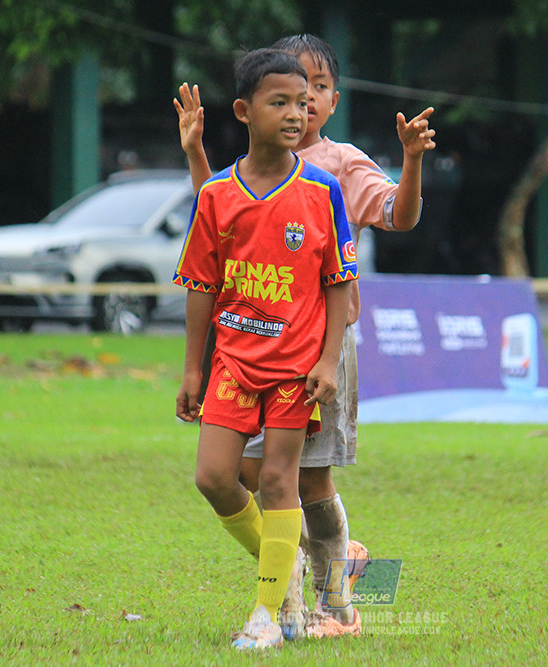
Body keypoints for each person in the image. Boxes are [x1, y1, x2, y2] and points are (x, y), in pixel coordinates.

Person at [174, 33, 435, 640]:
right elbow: (221, 231)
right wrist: (195, 154)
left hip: (317, 348)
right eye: (292, 91)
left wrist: (412, 162)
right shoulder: (248, 167)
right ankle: (311, 578)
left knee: (302, 478)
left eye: (316, 89)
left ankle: (332, 604)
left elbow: (399, 216)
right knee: (238, 471)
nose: (303, 104)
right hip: (245, 343)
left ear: (333, 99)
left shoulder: (338, 168)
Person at [173, 47, 358, 651]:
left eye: (303, 104)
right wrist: (193, 369)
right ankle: (286, 565)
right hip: (232, 362)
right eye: (280, 102)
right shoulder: (217, 195)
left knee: (280, 480)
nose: (296, 115)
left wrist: (328, 361)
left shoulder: (324, 190)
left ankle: (265, 614)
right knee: (214, 477)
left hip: (294, 370)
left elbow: (339, 285)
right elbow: (201, 287)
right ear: (244, 111)